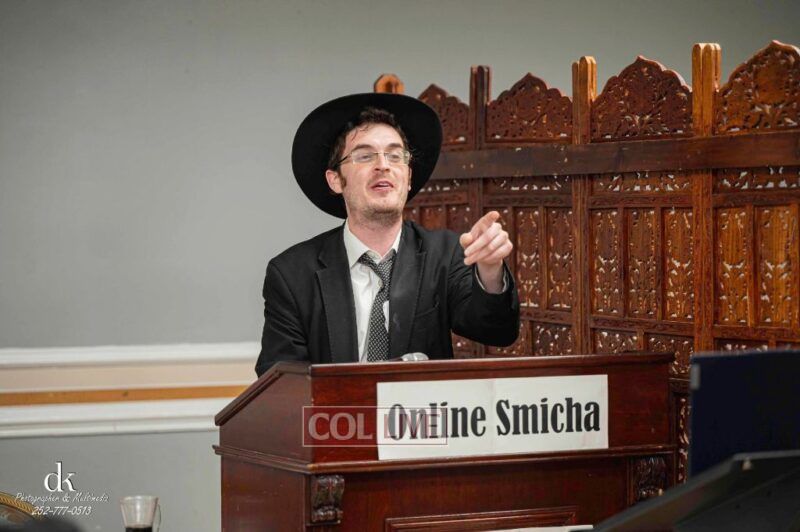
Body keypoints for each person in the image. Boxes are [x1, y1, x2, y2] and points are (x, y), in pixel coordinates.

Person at [255, 93, 519, 376]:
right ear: (336, 180)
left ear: (408, 177)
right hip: (334, 406)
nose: (383, 165)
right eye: (365, 156)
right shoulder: (292, 274)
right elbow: (281, 380)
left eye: (395, 155)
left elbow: (497, 332)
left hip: (422, 405)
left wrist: (490, 270)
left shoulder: (446, 254)